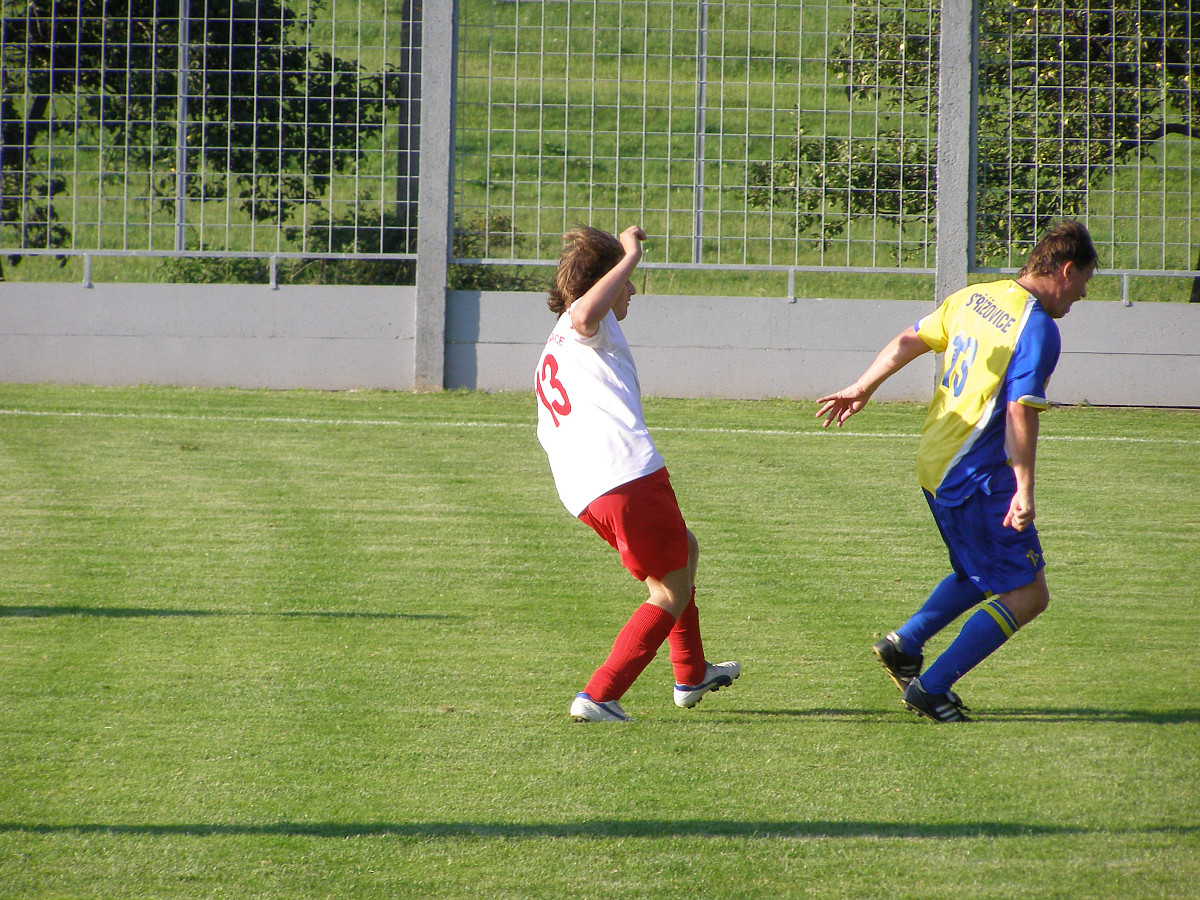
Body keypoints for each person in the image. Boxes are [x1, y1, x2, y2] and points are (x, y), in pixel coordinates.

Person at [815, 220, 1098, 722]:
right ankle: (932, 688)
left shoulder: (974, 297)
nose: (1081, 297)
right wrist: (1025, 489)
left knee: (978, 570)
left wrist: (863, 386)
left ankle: (905, 644)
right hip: (975, 475)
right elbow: (1020, 411)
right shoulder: (1036, 328)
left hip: (934, 461)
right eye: (1083, 283)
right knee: (1028, 593)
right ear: (1066, 270)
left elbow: (911, 338)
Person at [535, 224, 740, 723]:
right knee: (668, 591)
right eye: (625, 280)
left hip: (588, 491)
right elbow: (586, 311)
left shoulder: (560, 339)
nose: (631, 289)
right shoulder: (587, 321)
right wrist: (629, 255)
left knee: (684, 550)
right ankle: (600, 694)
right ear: (604, 281)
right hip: (624, 477)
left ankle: (691, 672)